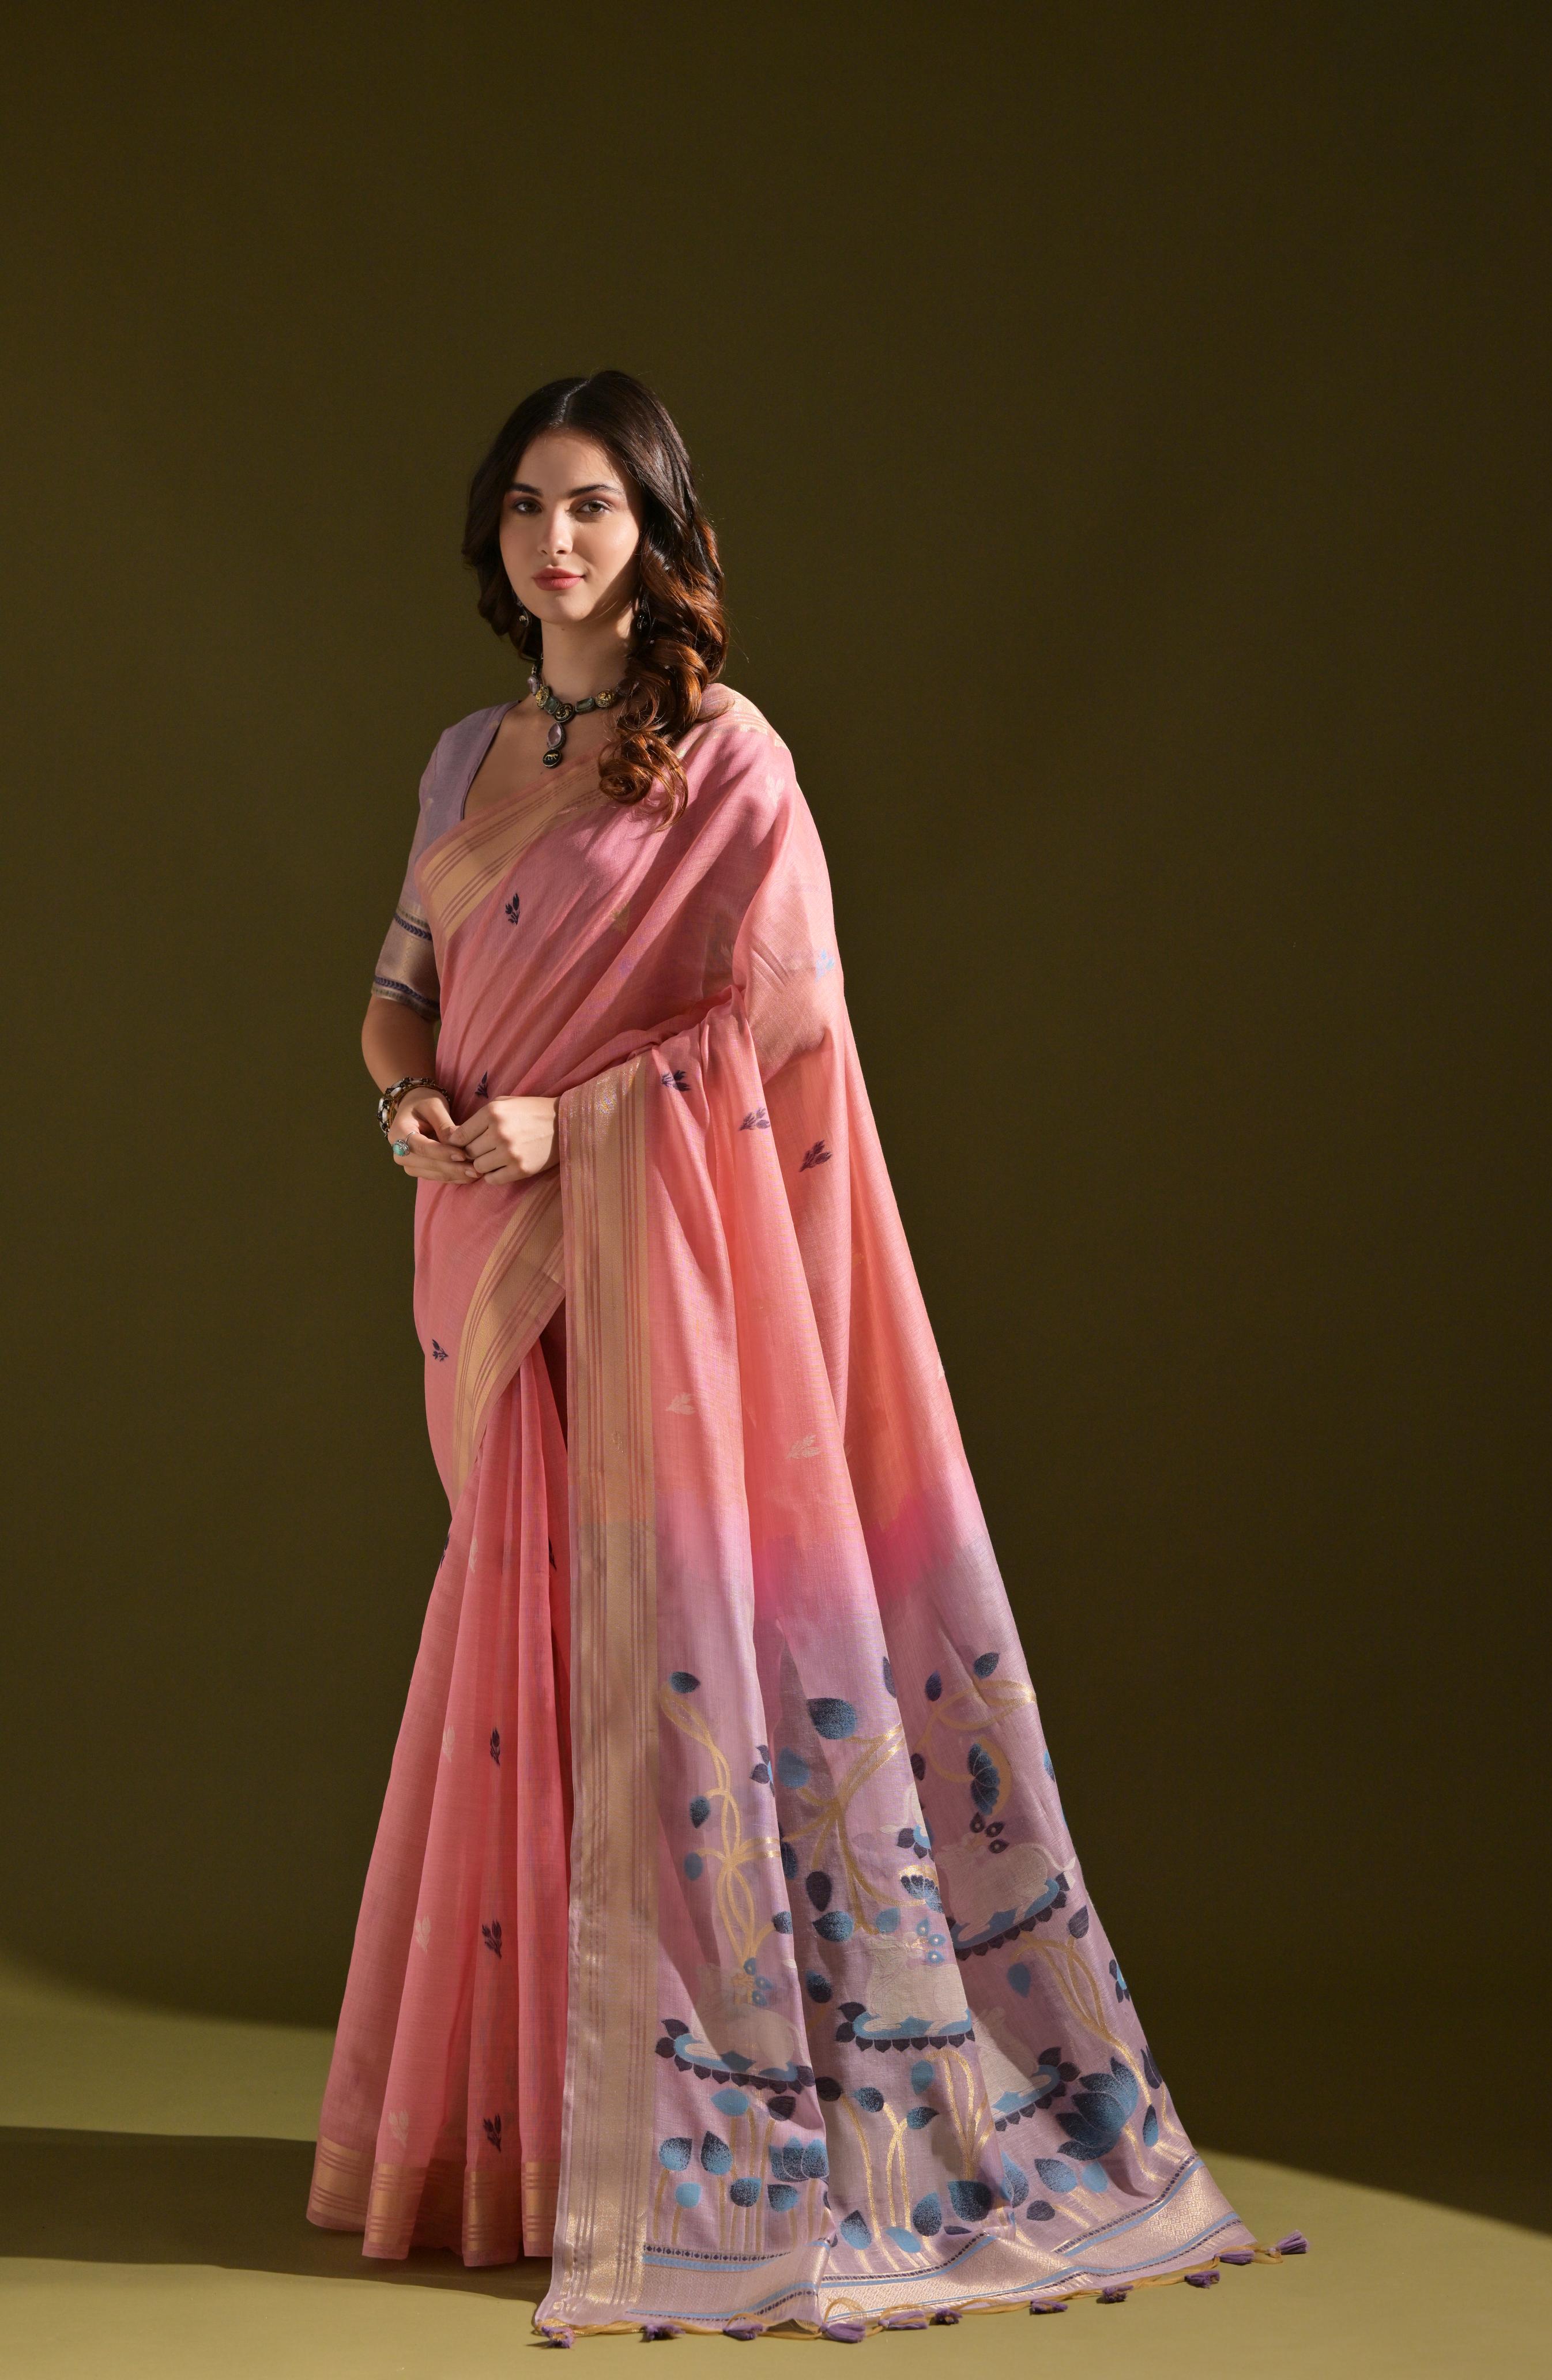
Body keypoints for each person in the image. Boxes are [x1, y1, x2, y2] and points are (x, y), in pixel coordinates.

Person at [306, 371, 1302, 2341]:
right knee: (527, 1664)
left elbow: (785, 1034)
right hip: (490, 1260)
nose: (557, 539)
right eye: (527, 505)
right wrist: (410, 1102)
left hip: (647, 1276)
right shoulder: (461, 759)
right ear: (495, 535)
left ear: (655, 531)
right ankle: (534, 2151)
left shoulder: (729, 760)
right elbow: (396, 996)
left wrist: (570, 1128)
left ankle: (716, 2150)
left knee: (669, 1669)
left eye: (594, 505)